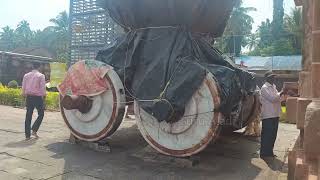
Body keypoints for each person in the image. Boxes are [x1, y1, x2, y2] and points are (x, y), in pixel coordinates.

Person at [259, 71, 284, 158]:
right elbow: (272, 99)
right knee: (267, 134)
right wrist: (281, 92)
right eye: (271, 77)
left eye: (274, 77)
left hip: (275, 114)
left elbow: (278, 99)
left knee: (273, 134)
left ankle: (269, 152)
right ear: (267, 78)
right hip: (268, 115)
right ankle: (264, 153)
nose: (273, 79)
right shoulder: (264, 88)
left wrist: (283, 95)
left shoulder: (273, 87)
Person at [22, 62, 46, 141]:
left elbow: (23, 86)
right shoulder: (41, 76)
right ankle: (34, 129)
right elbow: (42, 87)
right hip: (38, 97)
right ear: (39, 67)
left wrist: (24, 94)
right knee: (41, 114)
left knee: (28, 115)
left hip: (29, 97)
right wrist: (44, 95)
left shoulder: (26, 75)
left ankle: (27, 136)